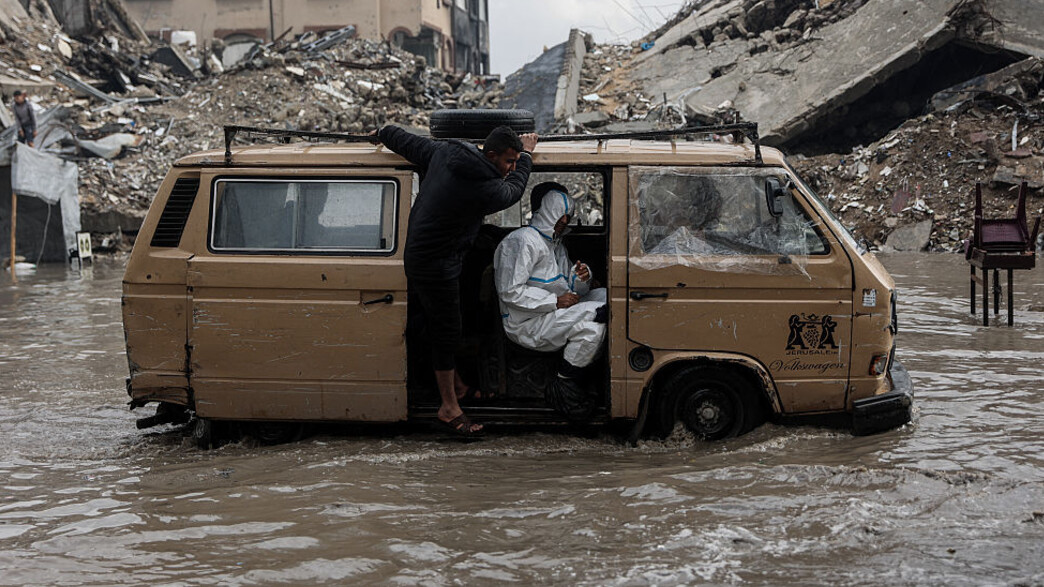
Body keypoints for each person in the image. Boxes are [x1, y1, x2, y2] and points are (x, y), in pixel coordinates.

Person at [377, 124, 538, 437]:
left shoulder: (448, 151)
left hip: (422, 254)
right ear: (490, 155)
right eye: (509, 161)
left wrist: (384, 131)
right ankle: (448, 407)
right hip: (436, 263)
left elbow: (408, 143)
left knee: (433, 320)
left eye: (517, 161)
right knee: (447, 330)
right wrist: (529, 155)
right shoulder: (485, 186)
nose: (513, 167)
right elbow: (513, 192)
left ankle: (457, 383)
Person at [493, 183, 608, 420]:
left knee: (610, 298)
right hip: (526, 322)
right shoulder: (522, 241)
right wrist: (553, 302)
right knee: (598, 317)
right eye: (561, 219)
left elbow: (570, 289)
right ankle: (565, 383)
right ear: (547, 213)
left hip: (549, 312)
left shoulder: (555, 244)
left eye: (566, 220)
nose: (564, 224)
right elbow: (510, 292)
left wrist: (582, 277)